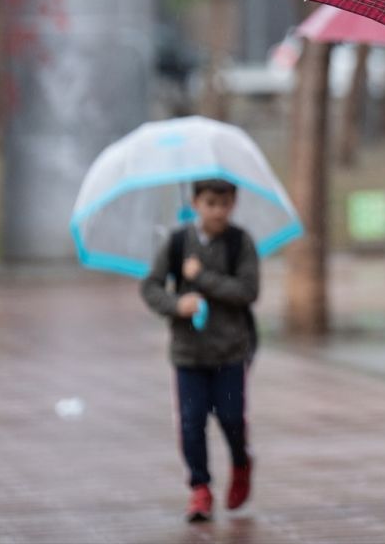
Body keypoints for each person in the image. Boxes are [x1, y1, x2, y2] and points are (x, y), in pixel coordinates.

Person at [140, 178, 260, 524]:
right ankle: (200, 487)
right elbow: (150, 286)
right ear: (195, 203)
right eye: (210, 203)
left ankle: (241, 460)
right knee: (191, 425)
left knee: (231, 418)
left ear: (233, 204)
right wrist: (178, 305)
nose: (217, 211)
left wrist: (203, 277)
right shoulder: (177, 243)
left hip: (230, 353)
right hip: (188, 355)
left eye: (224, 204)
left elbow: (248, 291)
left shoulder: (240, 243)